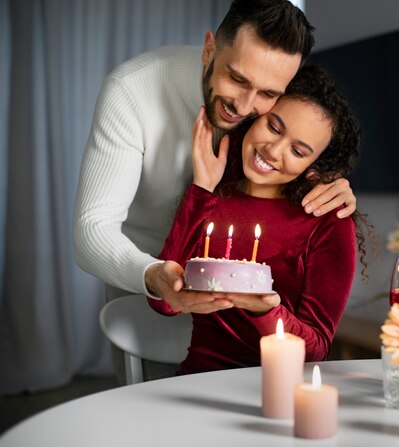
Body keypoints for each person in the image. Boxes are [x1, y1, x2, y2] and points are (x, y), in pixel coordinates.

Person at [73, 0, 357, 315]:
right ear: (209, 50)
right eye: (237, 79)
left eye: (268, 94)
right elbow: (93, 229)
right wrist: (154, 275)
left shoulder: (269, 114)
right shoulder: (130, 90)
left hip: (234, 295)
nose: (245, 106)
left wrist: (334, 182)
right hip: (140, 273)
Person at [148, 65, 369, 373]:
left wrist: (265, 309)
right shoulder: (211, 196)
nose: (273, 150)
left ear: (315, 165)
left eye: (298, 150)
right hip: (198, 381)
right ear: (256, 115)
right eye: (274, 127)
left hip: (279, 389)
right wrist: (201, 190)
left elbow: (315, 349)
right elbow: (163, 303)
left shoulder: (328, 220)